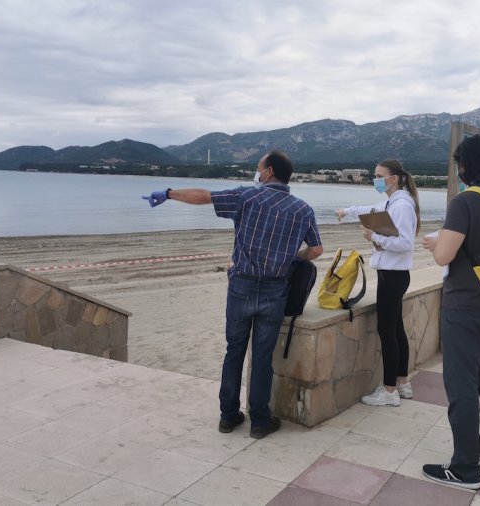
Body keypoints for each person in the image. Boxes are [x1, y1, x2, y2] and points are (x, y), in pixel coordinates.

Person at [142, 150, 323, 439]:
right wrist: (292, 258)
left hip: (242, 286)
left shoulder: (247, 197)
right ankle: (260, 421)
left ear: (269, 172)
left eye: (258, 167)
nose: (256, 171)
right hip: (276, 289)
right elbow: (315, 251)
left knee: (234, 350)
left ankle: (228, 417)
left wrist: (168, 193)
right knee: (263, 356)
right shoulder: (303, 209)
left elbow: (203, 197)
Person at [421, 134, 480, 490]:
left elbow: (444, 256)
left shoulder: (464, 201)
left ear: (465, 165)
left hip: (464, 305)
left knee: (461, 385)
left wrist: (435, 243)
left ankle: (464, 469)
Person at [336, 159, 419, 407]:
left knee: (388, 331)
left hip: (393, 275)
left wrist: (375, 237)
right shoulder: (392, 201)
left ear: (393, 178)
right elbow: (369, 209)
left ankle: (389, 390)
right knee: (396, 329)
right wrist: (346, 211)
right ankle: (402, 383)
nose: (376, 179)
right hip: (392, 275)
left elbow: (406, 244)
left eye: (379, 175)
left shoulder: (402, 206)